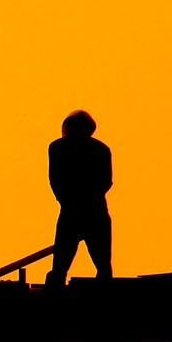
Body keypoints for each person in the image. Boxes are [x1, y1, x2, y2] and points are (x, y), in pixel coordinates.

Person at [44, 110, 114, 288]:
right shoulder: (100, 149)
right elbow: (106, 182)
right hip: (91, 211)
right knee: (66, 264)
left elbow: (56, 180)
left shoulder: (58, 147)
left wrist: (70, 201)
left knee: (65, 265)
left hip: (79, 212)